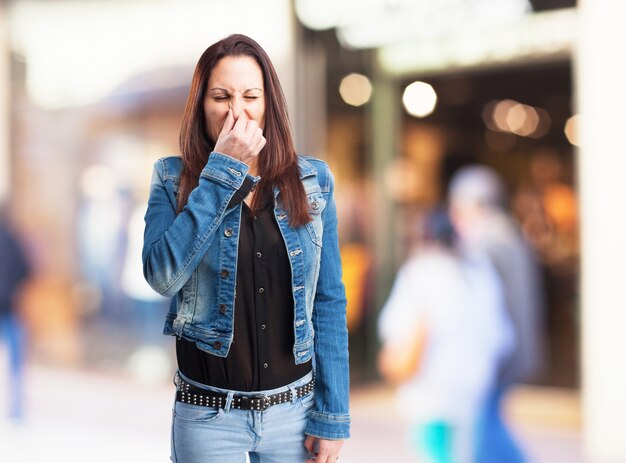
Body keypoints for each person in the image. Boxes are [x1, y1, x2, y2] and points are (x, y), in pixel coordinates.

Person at [142, 34, 350, 463]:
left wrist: (332, 415)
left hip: (295, 416)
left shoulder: (312, 181)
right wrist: (223, 171)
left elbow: (328, 301)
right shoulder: (171, 179)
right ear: (200, 106)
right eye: (221, 96)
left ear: (269, 104)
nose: (237, 110)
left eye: (251, 95)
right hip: (207, 417)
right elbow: (161, 276)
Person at [377, 208, 514, 463]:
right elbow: (502, 338)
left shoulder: (420, 272)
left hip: (432, 390)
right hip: (474, 389)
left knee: (435, 452)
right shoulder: (480, 273)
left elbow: (394, 327)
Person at [448, 165, 545, 463]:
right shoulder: (509, 235)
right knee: (488, 424)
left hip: (496, 354)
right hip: (511, 350)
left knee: (485, 431)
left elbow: (479, 309)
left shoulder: (485, 242)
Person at [0, 207, 30, 421]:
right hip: (9, 306)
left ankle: (17, 409)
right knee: (16, 362)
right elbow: (26, 270)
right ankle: (16, 409)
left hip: (9, 308)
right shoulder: (12, 239)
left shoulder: (12, 239)